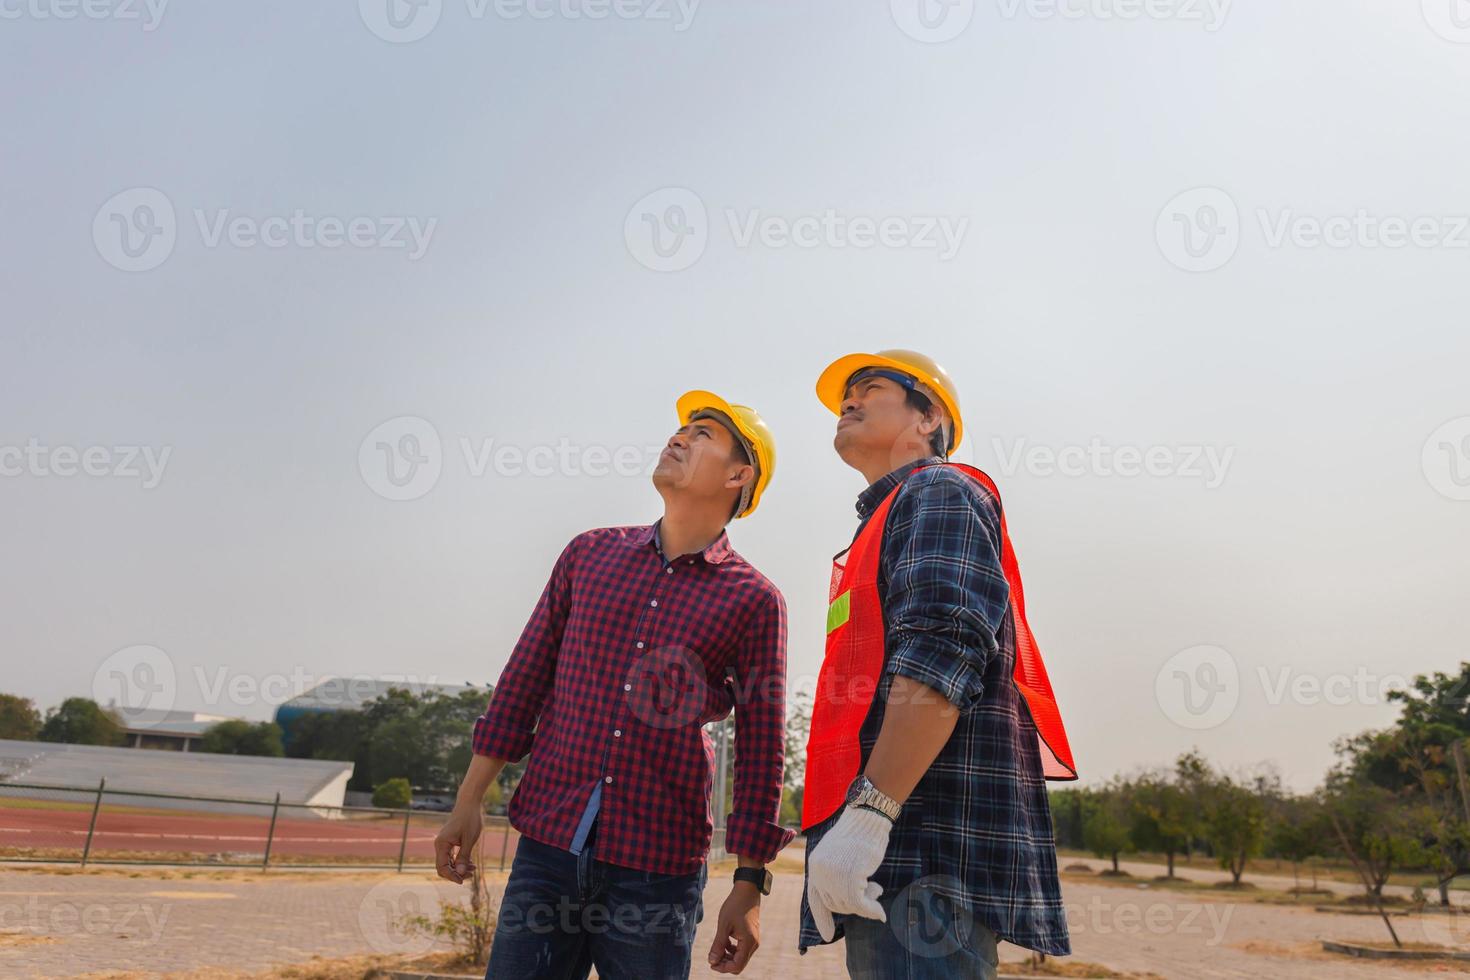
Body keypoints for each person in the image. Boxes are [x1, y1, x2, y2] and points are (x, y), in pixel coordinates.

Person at [435, 391, 795, 980]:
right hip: (548, 847)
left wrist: (749, 885)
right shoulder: (588, 554)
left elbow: (761, 752)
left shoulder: (755, 600)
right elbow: (522, 680)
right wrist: (468, 800)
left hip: (657, 867)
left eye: (702, 433)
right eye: (680, 428)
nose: (679, 437)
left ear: (739, 474)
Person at [798, 350, 1078, 979]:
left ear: (928, 419)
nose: (848, 401)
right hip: (900, 855)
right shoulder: (886, 521)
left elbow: (941, 653)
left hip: (924, 849)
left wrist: (869, 816)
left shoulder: (939, 490)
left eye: (869, 388)